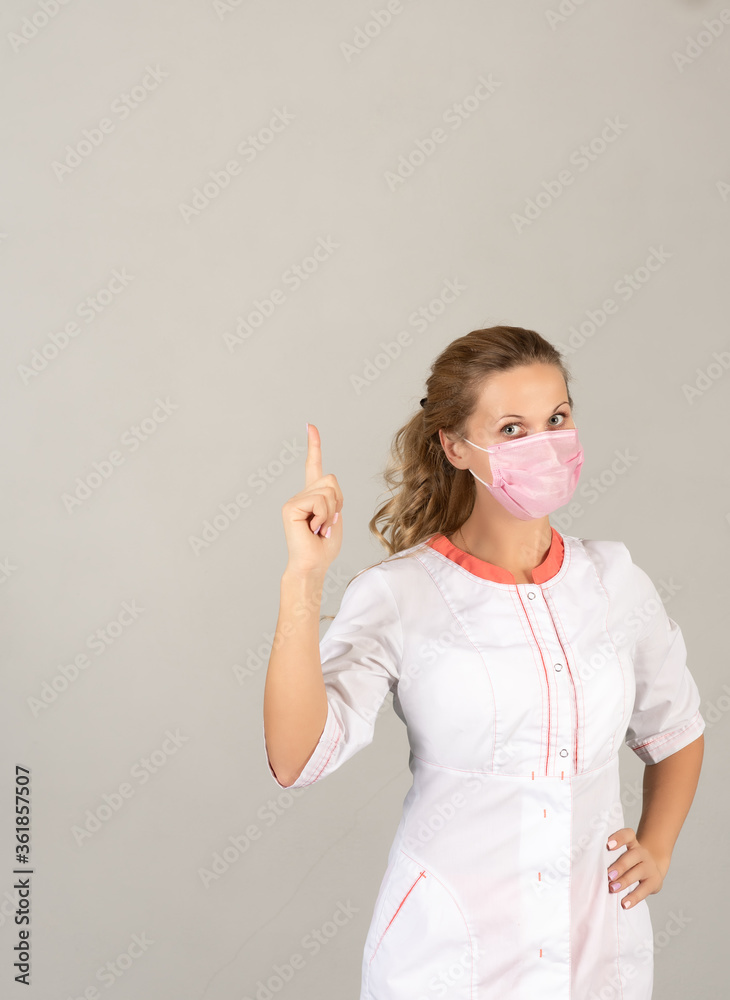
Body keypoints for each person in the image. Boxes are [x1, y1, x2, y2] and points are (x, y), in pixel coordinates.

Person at [262, 325, 705, 999]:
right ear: (454, 446)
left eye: (557, 419)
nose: (546, 443)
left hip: (596, 950)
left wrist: (660, 845)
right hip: (450, 955)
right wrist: (304, 580)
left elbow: (676, 726)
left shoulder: (614, 579)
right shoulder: (400, 594)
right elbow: (299, 757)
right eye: (512, 429)